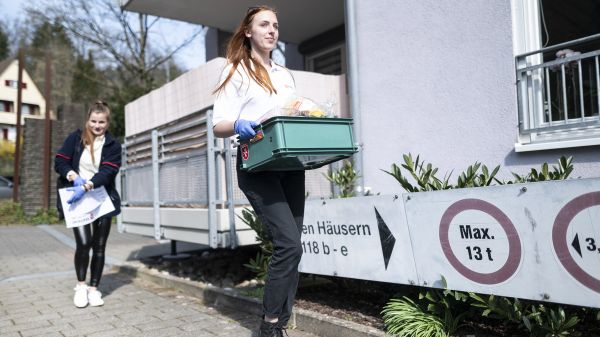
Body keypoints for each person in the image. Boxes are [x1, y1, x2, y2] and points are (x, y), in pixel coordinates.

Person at [212, 5, 304, 337]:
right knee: (289, 245)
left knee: (295, 247)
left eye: (276, 25)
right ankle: (269, 326)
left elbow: (290, 112)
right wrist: (237, 123)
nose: (272, 30)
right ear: (248, 31)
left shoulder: (284, 73)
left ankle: (280, 323)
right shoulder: (235, 70)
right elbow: (217, 125)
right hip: (257, 165)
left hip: (291, 166)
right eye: (264, 24)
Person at [54, 100, 122, 308]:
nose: (97, 125)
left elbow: (109, 170)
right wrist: (73, 176)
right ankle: (81, 286)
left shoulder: (113, 145)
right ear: (87, 120)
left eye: (101, 122)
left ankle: (94, 289)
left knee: (99, 246)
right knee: (84, 243)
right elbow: (60, 161)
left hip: (101, 197)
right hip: (77, 197)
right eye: (93, 121)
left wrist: (89, 184)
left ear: (107, 123)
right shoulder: (75, 138)